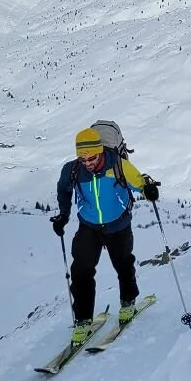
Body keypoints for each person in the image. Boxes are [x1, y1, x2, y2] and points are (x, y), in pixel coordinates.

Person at [51, 127, 160, 345]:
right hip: (89, 226)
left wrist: (148, 191)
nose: (88, 162)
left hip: (118, 224)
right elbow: (63, 189)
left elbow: (140, 183)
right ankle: (83, 320)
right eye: (83, 158)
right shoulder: (72, 170)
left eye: (92, 158)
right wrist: (64, 215)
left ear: (100, 152)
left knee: (123, 265)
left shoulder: (118, 165)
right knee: (80, 271)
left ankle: (128, 301)